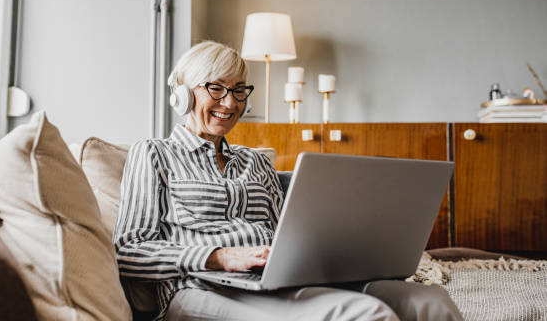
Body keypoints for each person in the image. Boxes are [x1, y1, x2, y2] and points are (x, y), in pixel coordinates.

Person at [113, 41, 462, 321]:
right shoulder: (154, 154)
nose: (230, 102)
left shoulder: (255, 162)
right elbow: (128, 249)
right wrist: (218, 256)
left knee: (427, 300)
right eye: (215, 88)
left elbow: (289, 235)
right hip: (204, 288)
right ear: (184, 95)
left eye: (239, 90)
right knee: (364, 314)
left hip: (274, 280)